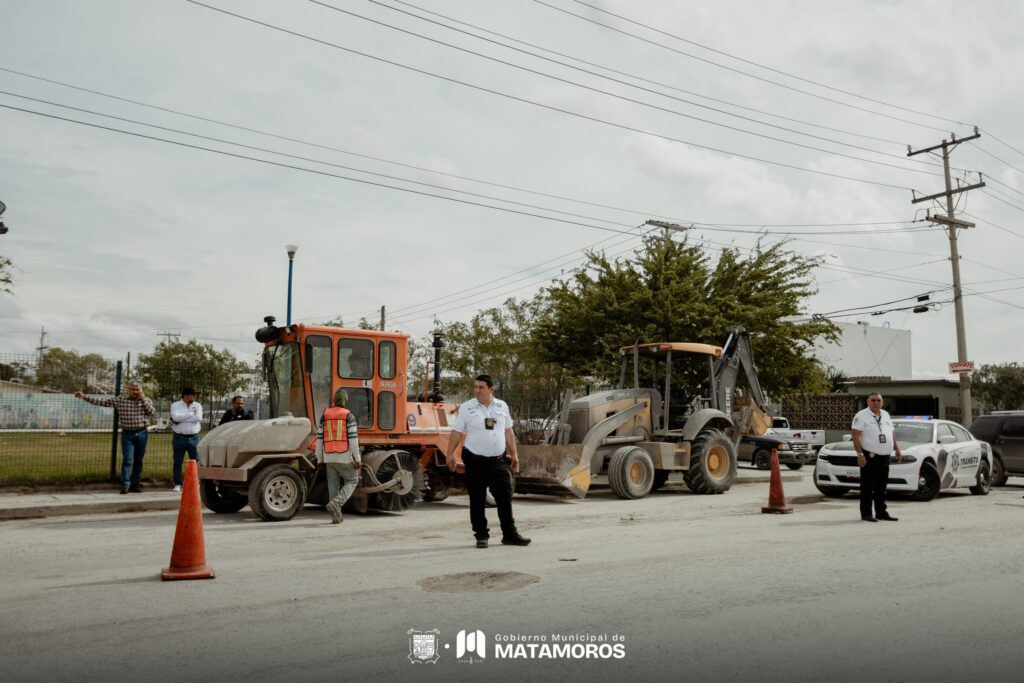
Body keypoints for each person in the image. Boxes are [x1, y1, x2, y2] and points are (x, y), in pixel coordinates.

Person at [445, 374, 530, 549]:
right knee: (477, 500)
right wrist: (449, 454)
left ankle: (510, 534)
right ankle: (481, 535)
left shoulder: (501, 406)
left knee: (505, 498)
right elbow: (456, 433)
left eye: (481, 387)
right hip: (475, 462)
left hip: (498, 461)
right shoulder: (467, 408)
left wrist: (514, 454)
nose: (477, 390)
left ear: (491, 389)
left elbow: (508, 432)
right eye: (475, 387)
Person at [74, 382, 155, 494]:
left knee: (138, 460)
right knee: (128, 459)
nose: (135, 392)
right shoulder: (120, 400)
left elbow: (151, 413)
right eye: (133, 389)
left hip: (142, 433)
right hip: (128, 434)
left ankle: (135, 484)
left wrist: (143, 399)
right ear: (128, 390)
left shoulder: (146, 400)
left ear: (141, 390)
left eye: (137, 389)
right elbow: (102, 402)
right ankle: (125, 485)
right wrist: (84, 397)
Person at [851, 392, 903, 522]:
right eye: (873, 400)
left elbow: (891, 433)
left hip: (885, 456)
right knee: (867, 486)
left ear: (882, 402)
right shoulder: (861, 416)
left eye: (878, 400)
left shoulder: (885, 414)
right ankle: (867, 513)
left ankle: (881, 512)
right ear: (868, 402)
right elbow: (856, 436)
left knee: (881, 486)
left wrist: (897, 449)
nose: (876, 403)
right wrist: (860, 454)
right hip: (869, 455)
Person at [317, 388, 361, 524]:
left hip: (329, 457)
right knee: (352, 480)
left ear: (334, 400)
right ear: (345, 400)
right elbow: (353, 440)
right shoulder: (349, 416)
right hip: (344, 456)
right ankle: (337, 503)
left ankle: (336, 517)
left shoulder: (324, 415)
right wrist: (357, 459)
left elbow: (319, 439)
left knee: (333, 486)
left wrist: (319, 458)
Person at [170, 387, 203, 493]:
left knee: (195, 461)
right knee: (177, 462)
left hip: (194, 437)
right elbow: (175, 418)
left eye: (194, 395)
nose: (193, 397)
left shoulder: (197, 405)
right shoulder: (175, 405)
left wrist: (182, 418)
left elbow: (198, 418)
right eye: (191, 395)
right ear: (185, 396)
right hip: (179, 437)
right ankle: (178, 484)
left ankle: (195, 482)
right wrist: (190, 415)